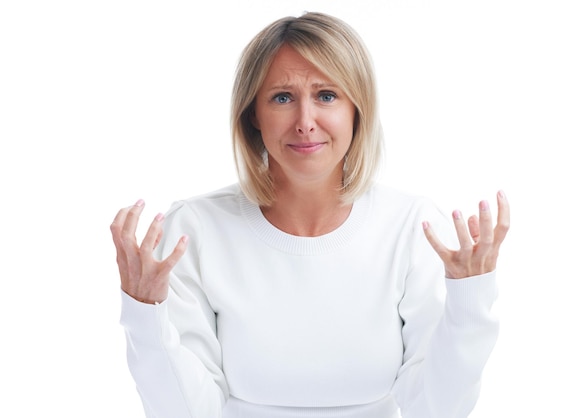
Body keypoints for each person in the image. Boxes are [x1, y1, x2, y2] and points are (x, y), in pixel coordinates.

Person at [110, 11, 510, 418]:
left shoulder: (413, 227)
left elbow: (435, 409)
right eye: (282, 98)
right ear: (253, 114)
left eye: (326, 95)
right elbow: (186, 411)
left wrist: (469, 303)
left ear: (358, 109)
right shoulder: (195, 229)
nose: (305, 122)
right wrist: (145, 313)